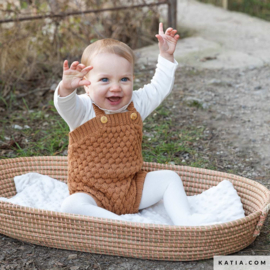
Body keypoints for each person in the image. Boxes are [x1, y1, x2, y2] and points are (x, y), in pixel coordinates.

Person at [54, 22, 210, 226]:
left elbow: (159, 87)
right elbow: (64, 105)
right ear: (85, 84)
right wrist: (66, 88)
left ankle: (186, 220)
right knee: (70, 205)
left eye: (124, 79)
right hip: (91, 193)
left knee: (170, 178)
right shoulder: (82, 110)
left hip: (130, 188)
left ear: (133, 80)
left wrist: (166, 56)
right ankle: (124, 226)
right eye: (104, 80)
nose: (116, 87)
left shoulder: (135, 105)